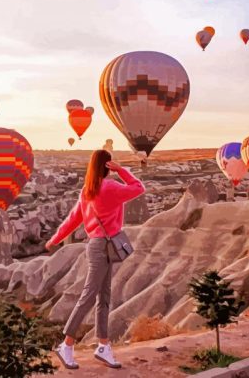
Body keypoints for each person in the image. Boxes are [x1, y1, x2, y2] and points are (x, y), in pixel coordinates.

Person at [45, 149, 146, 369]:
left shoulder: (87, 190)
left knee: (104, 297)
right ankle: (67, 345)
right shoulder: (110, 187)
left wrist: (55, 238)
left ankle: (103, 346)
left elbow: (73, 220)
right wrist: (122, 170)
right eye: (111, 164)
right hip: (104, 246)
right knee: (90, 296)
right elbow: (139, 187)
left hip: (97, 245)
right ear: (107, 165)